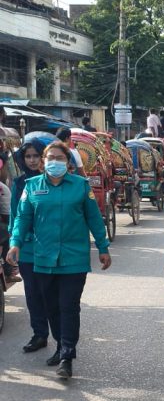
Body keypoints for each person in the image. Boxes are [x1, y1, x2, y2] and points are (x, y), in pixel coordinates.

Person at [7, 140, 111, 380]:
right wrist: (15, 243)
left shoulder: (81, 186)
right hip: (43, 258)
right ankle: (59, 345)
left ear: (68, 162)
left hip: (74, 258)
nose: (54, 162)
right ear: (44, 162)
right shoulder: (32, 186)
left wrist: (103, 247)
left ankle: (67, 355)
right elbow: (22, 218)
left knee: (69, 306)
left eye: (60, 158)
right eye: (50, 158)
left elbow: (94, 218)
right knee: (51, 307)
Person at [9, 139, 50, 351]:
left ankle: (63, 338)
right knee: (33, 293)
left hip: (50, 246)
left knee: (51, 294)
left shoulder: (53, 180)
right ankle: (39, 334)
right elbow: (16, 215)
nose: (32, 160)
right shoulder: (18, 183)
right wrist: (14, 242)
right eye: (28, 156)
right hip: (27, 248)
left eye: (36, 155)